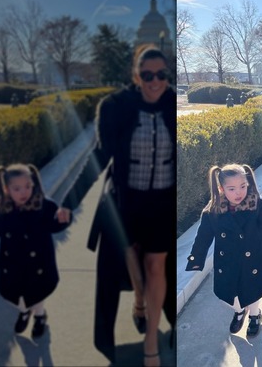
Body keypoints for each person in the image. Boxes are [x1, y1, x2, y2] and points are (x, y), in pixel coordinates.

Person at [88, 45, 176, 366]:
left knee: (155, 265)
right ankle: (139, 301)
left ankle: (151, 339)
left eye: (161, 74)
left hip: (161, 204)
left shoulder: (171, 104)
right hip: (126, 202)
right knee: (131, 263)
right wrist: (67, 203)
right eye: (148, 75)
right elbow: (100, 155)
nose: (155, 81)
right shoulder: (116, 107)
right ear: (136, 76)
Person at [0, 164, 72, 338]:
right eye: (17, 188)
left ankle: (40, 316)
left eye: (27, 186)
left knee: (38, 292)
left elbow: (54, 225)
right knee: (16, 295)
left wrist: (63, 219)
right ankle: (24, 311)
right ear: (6, 188)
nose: (24, 193)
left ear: (33, 184)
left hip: (38, 260)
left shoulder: (43, 205)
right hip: (13, 262)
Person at [185, 164, 262, 337]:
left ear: (248, 183)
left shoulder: (258, 205)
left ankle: (255, 315)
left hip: (254, 258)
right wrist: (196, 259)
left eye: (242, 186)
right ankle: (239, 311)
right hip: (228, 261)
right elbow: (204, 237)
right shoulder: (213, 211)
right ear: (221, 188)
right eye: (231, 189)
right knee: (227, 294)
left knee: (253, 290)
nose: (238, 193)